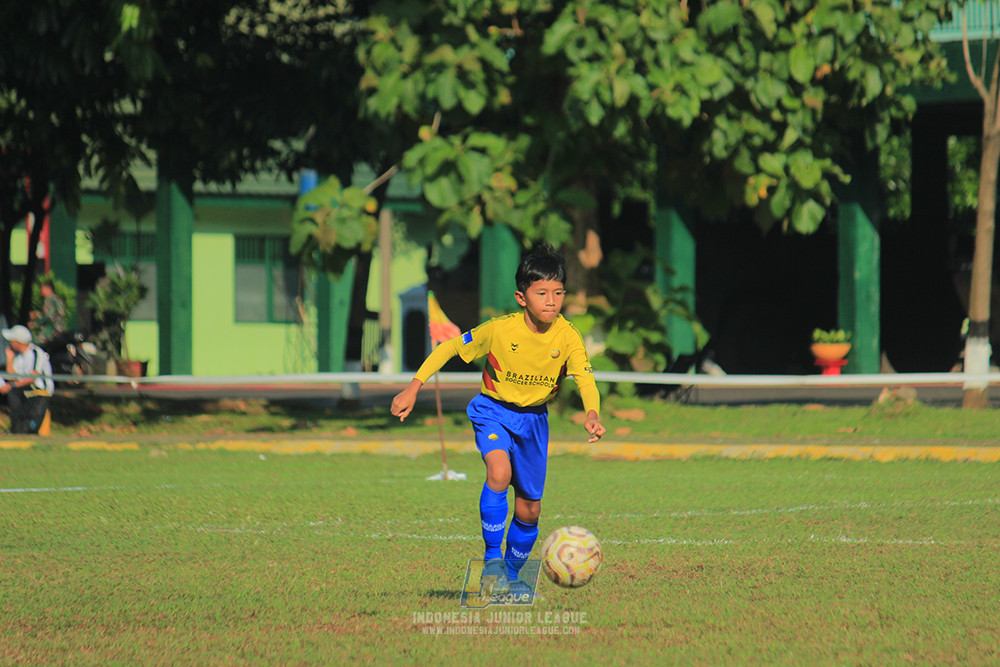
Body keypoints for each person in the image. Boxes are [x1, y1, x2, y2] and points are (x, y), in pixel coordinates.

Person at [391, 244, 606, 595]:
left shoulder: (567, 336)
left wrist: (592, 412)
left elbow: (584, 377)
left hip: (534, 422)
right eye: (542, 293)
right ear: (522, 297)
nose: (551, 301)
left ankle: (510, 576)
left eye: (558, 293)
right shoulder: (500, 330)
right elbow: (448, 348)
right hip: (493, 410)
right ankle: (492, 559)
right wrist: (414, 387)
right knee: (499, 472)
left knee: (530, 509)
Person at [1, 325, 55, 434]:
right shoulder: (18, 357)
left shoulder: (35, 353)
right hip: (26, 390)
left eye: (12, 340)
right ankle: (15, 428)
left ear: (18, 342)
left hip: (39, 391)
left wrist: (11, 386)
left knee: (14, 394)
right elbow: (12, 377)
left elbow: (32, 378)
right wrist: (10, 359)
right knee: (13, 394)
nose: (10, 343)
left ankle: (23, 430)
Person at [31, 280, 67, 344]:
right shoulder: (57, 299)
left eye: (42, 289)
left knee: (35, 342)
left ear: (48, 288)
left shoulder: (49, 300)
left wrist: (35, 324)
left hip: (52, 330)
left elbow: (48, 317)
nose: (40, 291)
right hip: (61, 330)